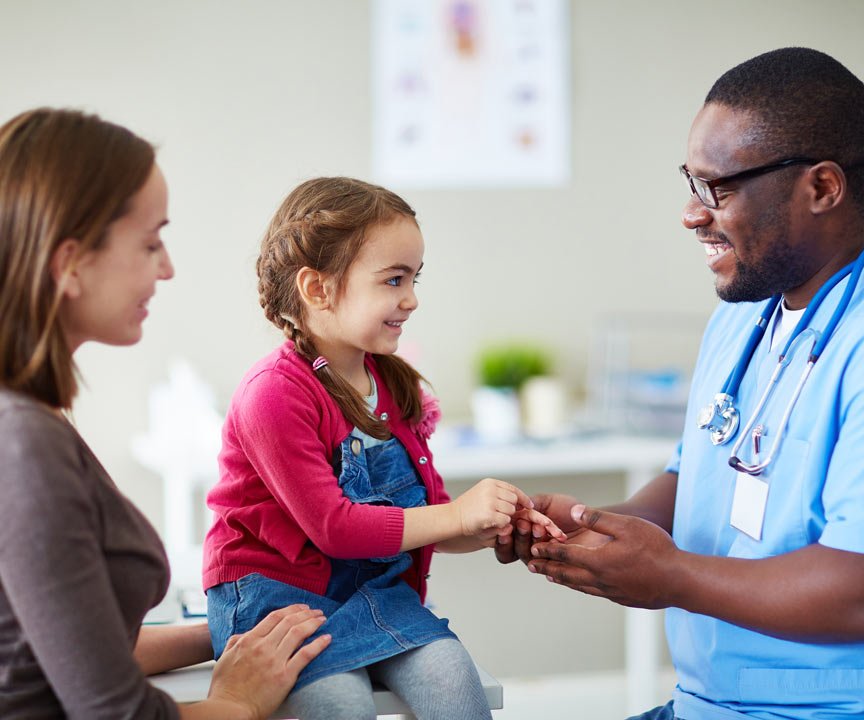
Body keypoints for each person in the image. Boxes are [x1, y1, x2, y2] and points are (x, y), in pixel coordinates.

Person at [497, 47, 864, 720]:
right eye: (690, 181)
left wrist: (670, 576)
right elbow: (695, 483)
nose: (691, 214)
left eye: (720, 188)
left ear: (823, 188)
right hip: (703, 705)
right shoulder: (743, 316)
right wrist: (589, 527)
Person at [0, 107, 332, 720]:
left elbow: (69, 649)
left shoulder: (31, 419)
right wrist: (238, 702)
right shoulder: (24, 445)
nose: (168, 267)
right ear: (69, 262)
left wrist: (229, 632)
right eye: (150, 242)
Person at [202, 176, 564, 720]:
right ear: (317, 289)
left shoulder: (393, 385)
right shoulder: (274, 394)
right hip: (278, 602)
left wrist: (487, 526)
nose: (412, 299)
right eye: (394, 280)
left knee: (453, 678)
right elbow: (335, 527)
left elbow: (429, 519)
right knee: (339, 703)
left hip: (373, 590)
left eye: (415, 278)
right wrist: (456, 515)